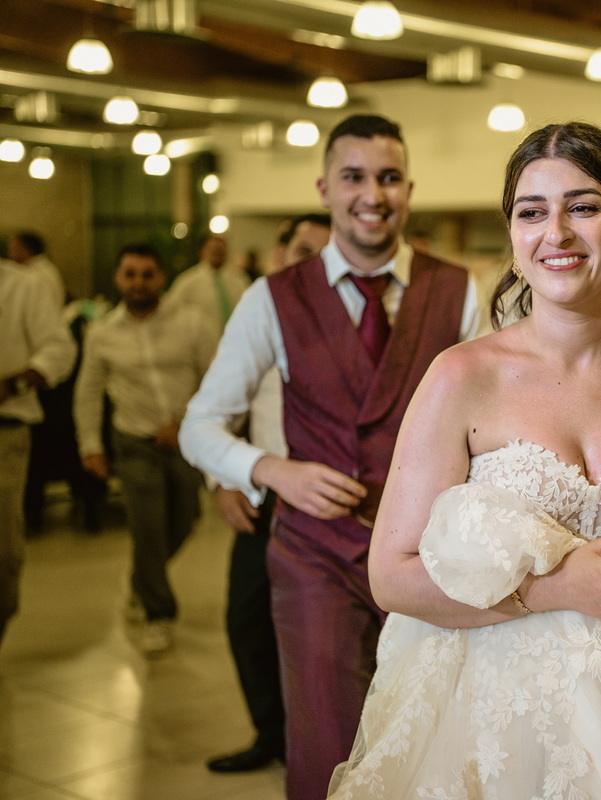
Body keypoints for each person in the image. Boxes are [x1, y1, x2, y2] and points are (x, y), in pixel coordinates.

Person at [326, 121, 601, 799]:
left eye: (583, 206)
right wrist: (552, 590)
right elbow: (391, 577)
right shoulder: (461, 377)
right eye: (532, 212)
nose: (557, 232)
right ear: (515, 240)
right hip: (488, 706)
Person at [179, 114, 478, 800]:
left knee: (433, 743)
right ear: (324, 189)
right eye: (353, 177)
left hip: (432, 553)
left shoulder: (459, 289)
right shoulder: (272, 297)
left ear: (409, 190)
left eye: (389, 177)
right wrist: (272, 470)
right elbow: (200, 425)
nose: (372, 194)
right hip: (315, 554)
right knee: (325, 748)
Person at [205, 213, 332, 775]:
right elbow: (220, 409)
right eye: (303, 251)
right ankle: (270, 733)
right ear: (279, 253)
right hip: (264, 498)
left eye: (324, 256)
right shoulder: (255, 315)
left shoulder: (354, 323)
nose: (312, 266)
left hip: (333, 503)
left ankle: (332, 742)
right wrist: (223, 480)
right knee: (247, 619)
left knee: (329, 635)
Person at [74, 244, 219, 655]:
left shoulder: (192, 323)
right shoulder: (102, 332)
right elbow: (88, 392)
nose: (138, 283)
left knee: (186, 518)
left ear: (161, 278)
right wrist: (90, 446)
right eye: (130, 274)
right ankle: (159, 613)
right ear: (118, 278)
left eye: (147, 274)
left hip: (186, 439)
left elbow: (217, 378)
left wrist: (186, 421)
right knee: (148, 526)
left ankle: (141, 578)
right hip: (134, 440)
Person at [0, 261, 75, 646]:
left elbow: (59, 349)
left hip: (5, 432)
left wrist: (13, 384)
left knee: (3, 552)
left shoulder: (22, 285)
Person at [165, 234, 248, 329]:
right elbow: (171, 308)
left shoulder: (239, 279)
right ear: (201, 251)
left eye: (221, 250)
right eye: (213, 250)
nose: (218, 253)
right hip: (202, 335)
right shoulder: (187, 281)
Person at [7, 230, 65, 306]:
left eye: (13, 247)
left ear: (25, 249)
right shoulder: (42, 267)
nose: (9, 252)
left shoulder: (37, 272)